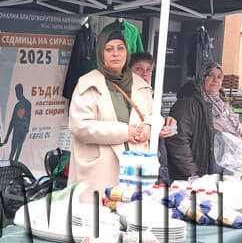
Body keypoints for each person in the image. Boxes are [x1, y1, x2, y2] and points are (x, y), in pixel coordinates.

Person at [68, 28, 174, 195]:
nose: (116, 54)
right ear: (101, 53)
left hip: (134, 168)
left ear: (127, 52)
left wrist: (149, 126)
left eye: (120, 48)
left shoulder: (140, 84)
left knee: (132, 209)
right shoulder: (87, 83)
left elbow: (154, 115)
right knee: (100, 209)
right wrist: (124, 132)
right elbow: (80, 127)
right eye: (109, 49)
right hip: (100, 170)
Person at [164, 62, 238, 181]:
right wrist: (192, 172)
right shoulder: (187, 103)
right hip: (197, 174)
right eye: (211, 75)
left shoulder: (222, 103)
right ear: (202, 77)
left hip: (219, 170)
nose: (215, 80)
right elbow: (178, 140)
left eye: (219, 77)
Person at [6, 84, 32, 162]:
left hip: (20, 129)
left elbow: (13, 121)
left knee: (15, 150)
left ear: (20, 92)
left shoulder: (23, 105)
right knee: (16, 150)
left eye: (17, 92)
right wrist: (7, 136)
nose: (16, 95)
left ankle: (12, 164)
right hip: (21, 129)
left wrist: (7, 136)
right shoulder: (24, 104)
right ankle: (12, 164)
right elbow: (13, 121)